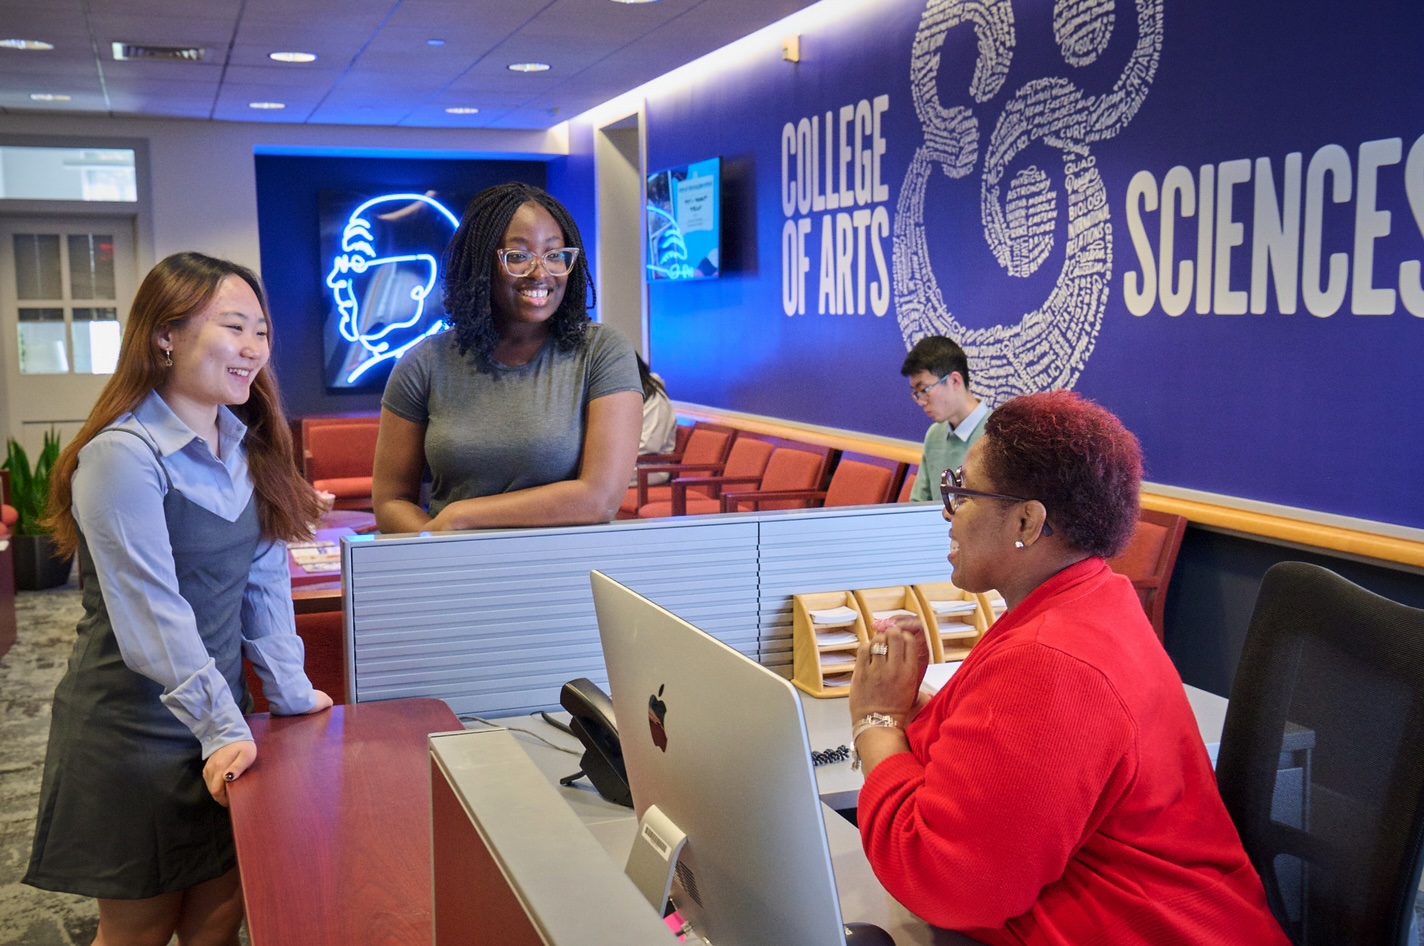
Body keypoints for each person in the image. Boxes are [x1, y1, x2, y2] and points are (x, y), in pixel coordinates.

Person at [848, 391, 1288, 945]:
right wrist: (914, 710)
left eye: (961, 493)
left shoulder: (1051, 662)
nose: (948, 513)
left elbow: (948, 883)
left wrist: (876, 722)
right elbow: (1008, 770)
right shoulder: (1091, 599)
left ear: (1028, 521)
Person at [24, 252, 334, 945]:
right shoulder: (121, 456)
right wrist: (220, 727)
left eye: (261, 330)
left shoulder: (248, 445)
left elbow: (263, 583)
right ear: (165, 336)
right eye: (234, 326)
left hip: (226, 721)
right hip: (134, 731)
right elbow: (149, 614)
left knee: (221, 915)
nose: (255, 348)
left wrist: (287, 691)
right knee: (141, 929)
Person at [373, 182, 642, 533]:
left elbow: (599, 498)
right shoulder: (424, 363)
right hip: (455, 572)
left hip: (567, 574)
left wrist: (461, 516)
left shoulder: (602, 352)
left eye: (555, 254)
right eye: (518, 256)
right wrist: (435, 547)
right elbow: (391, 500)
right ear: (481, 264)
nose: (540, 272)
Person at [900, 335, 989, 503]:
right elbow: (918, 504)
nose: (921, 401)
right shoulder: (934, 435)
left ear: (954, 380)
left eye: (925, 389)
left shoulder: (998, 433)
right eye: (916, 393)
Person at [634, 352, 678, 485]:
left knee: (591, 484)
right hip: (625, 463)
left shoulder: (654, 399)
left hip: (647, 467)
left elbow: (648, 445)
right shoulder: (623, 396)